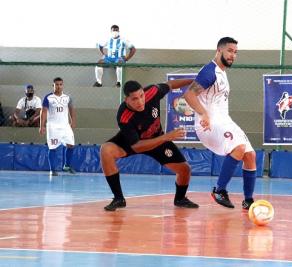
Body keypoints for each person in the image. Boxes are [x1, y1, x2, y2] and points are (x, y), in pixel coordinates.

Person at [101, 79, 199, 211]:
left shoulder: (153, 91)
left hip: (157, 139)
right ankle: (118, 199)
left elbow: (170, 85)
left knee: (185, 170)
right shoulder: (124, 116)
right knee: (106, 150)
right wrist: (167, 137)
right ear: (126, 100)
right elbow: (136, 146)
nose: (140, 101)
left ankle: (180, 199)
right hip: (133, 142)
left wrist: (194, 80)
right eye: (135, 99)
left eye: (141, 96)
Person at [184, 37, 257, 210]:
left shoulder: (222, 72)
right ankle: (219, 190)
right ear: (219, 50)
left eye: (235, 52)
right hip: (208, 124)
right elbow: (189, 95)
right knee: (238, 148)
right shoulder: (210, 71)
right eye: (230, 51)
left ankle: (248, 201)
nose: (233, 55)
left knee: (250, 156)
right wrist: (203, 114)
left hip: (224, 121)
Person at [39, 77, 76, 176]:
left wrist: (73, 121)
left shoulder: (67, 98)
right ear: (53, 86)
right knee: (53, 148)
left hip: (65, 126)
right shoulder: (48, 98)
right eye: (57, 84)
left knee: (71, 145)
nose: (59, 86)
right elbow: (43, 112)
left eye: (60, 84)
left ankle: (66, 166)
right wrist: (41, 126)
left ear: (62, 85)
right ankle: (52, 170)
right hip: (53, 127)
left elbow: (71, 109)